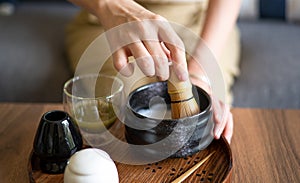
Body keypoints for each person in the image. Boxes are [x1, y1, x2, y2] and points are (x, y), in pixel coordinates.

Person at [65, 0, 241, 143]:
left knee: (209, 115)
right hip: (106, 18)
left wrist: (199, 73)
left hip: (203, 21)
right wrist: (111, 7)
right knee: (124, 101)